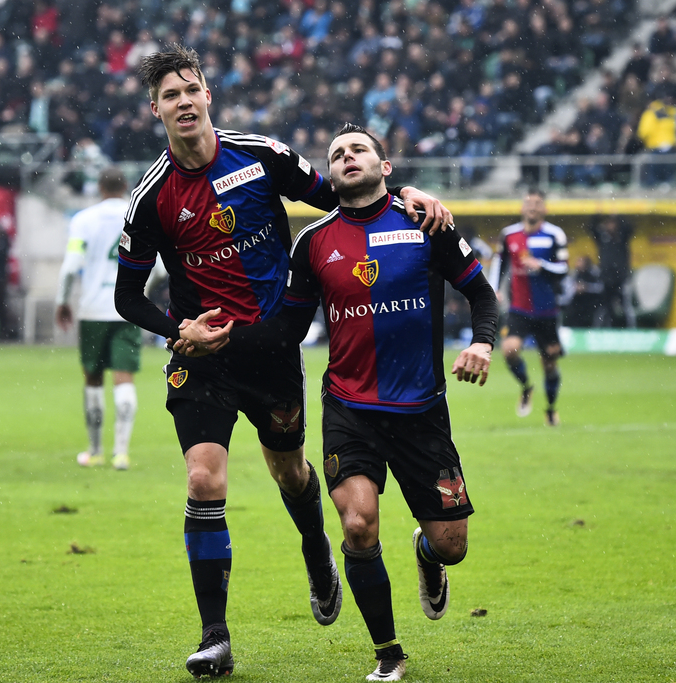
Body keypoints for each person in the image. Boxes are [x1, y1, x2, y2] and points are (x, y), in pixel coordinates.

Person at [113, 45, 452, 678]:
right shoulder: (153, 197)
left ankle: (314, 544)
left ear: (207, 94)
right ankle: (215, 635)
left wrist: (407, 191)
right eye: (170, 95)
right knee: (203, 481)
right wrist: (177, 327)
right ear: (153, 108)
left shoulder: (261, 156)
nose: (183, 101)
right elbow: (126, 295)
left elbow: (348, 194)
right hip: (203, 357)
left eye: (192, 88)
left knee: (293, 475)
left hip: (270, 351)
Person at [177, 123, 498, 682]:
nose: (347, 158)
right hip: (350, 409)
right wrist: (212, 339)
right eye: (337, 154)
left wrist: (482, 343)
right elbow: (287, 330)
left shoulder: (425, 222)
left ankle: (426, 551)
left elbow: (480, 291)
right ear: (329, 175)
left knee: (453, 547)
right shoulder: (313, 242)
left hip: (422, 410)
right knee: (357, 525)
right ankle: (388, 654)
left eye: (359, 150)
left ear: (385, 167)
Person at [56, 168, 140, 471]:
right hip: (127, 309)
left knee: (93, 378)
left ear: (100, 188)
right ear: (125, 186)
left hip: (92, 308)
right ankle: (121, 453)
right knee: (124, 377)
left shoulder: (83, 220)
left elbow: (71, 265)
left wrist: (63, 301)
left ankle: (94, 451)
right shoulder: (138, 214)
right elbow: (158, 266)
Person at [489, 189, 569, 426]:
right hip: (519, 307)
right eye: (528, 203)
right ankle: (526, 386)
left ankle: (551, 409)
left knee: (550, 363)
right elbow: (499, 263)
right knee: (509, 349)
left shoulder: (555, 235)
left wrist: (541, 265)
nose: (532, 207)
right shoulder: (509, 235)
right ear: (522, 208)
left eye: (537, 203)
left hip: (547, 310)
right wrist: (494, 288)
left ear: (544, 208)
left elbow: (564, 269)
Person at [588, 215, 635, 327]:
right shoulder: (603, 239)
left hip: (621, 279)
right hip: (606, 279)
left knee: (626, 307)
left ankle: (631, 330)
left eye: (613, 223)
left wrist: (618, 215)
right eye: (608, 224)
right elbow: (591, 227)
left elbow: (629, 228)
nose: (610, 226)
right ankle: (602, 330)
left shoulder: (622, 238)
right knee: (604, 308)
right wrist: (597, 214)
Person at [560, 255, 604, 327]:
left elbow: (600, 287)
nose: (578, 264)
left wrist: (586, 287)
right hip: (577, 302)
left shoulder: (593, 273)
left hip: (591, 301)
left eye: (580, 261)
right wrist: (575, 288)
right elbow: (566, 286)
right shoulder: (575, 274)